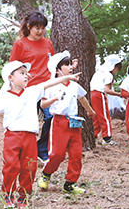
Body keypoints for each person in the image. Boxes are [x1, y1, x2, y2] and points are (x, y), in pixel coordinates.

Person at [0, 61, 81, 209]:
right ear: (10, 77)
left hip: (30, 137)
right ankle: (8, 194)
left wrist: (67, 78)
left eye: (26, 73)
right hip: (12, 136)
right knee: (11, 166)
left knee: (29, 166)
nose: (26, 76)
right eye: (22, 73)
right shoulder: (4, 97)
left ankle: (24, 195)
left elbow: (50, 82)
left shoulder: (32, 91)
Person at [37, 51, 96, 195]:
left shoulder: (74, 85)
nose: (70, 67)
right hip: (59, 122)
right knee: (57, 154)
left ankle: (70, 183)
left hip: (75, 122)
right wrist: (53, 100)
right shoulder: (51, 86)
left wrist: (90, 111)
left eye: (70, 64)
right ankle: (46, 173)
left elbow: (82, 98)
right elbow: (43, 104)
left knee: (76, 154)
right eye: (66, 65)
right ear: (57, 70)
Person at [9, 11, 55, 163]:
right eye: (37, 28)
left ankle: (42, 150)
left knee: (50, 117)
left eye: (42, 28)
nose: (40, 31)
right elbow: (12, 68)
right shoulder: (20, 45)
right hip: (27, 89)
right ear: (29, 26)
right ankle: (24, 152)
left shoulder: (48, 43)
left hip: (46, 87)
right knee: (28, 123)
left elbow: (53, 64)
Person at [90, 54, 123, 145]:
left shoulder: (99, 71)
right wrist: (119, 94)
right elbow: (107, 90)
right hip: (99, 94)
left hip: (92, 93)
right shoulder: (108, 75)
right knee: (105, 116)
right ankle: (107, 137)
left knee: (96, 117)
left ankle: (94, 135)